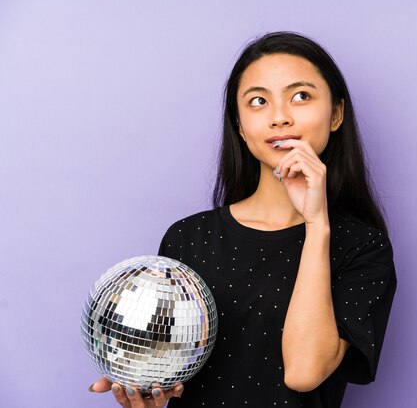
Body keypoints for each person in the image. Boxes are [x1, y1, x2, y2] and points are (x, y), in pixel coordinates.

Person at [89, 31, 396, 408]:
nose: (280, 117)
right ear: (239, 124)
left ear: (336, 114)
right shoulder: (187, 239)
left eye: (301, 96)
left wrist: (317, 224)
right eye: (258, 101)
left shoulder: (362, 248)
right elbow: (166, 369)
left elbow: (303, 373)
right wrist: (146, 390)